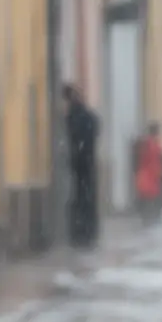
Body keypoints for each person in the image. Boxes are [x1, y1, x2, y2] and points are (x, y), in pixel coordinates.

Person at [63, 83, 100, 247]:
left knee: (80, 199)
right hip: (87, 163)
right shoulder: (88, 116)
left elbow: (74, 137)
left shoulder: (74, 116)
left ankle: (81, 233)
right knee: (87, 198)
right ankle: (88, 232)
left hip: (79, 164)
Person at [134, 122, 162, 221]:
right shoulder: (153, 144)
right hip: (152, 175)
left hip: (146, 174)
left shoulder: (146, 144)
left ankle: (147, 216)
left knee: (146, 196)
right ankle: (151, 216)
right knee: (152, 197)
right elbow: (157, 159)